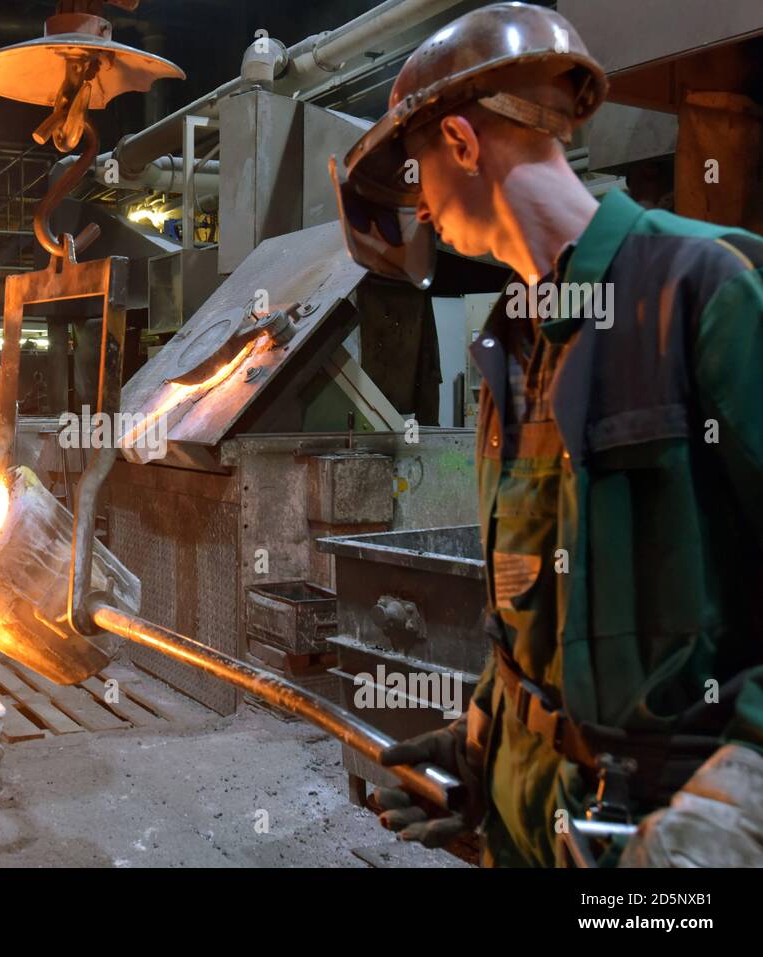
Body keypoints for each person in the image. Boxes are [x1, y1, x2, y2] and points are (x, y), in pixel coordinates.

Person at [331, 2, 763, 866]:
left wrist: (737, 802)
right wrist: (485, 742)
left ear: (460, 142)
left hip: (660, 837)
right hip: (534, 820)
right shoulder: (514, 342)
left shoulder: (702, 288)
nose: (422, 214)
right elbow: (530, 608)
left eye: (417, 177)